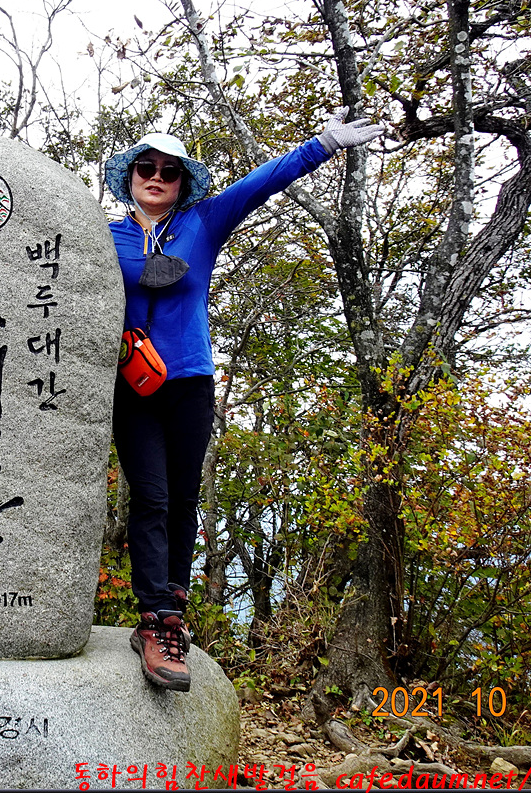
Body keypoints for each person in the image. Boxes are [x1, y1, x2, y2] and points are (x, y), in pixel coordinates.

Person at [104, 109, 384, 691]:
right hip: (131, 385)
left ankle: (170, 615)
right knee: (151, 496)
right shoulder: (105, 236)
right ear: (130, 176)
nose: (156, 177)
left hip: (189, 380)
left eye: (169, 171)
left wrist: (322, 144)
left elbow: (261, 182)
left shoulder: (203, 222)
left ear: (183, 182)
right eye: (146, 167)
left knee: (183, 498)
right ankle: (153, 619)